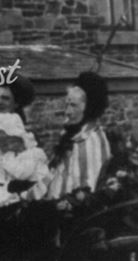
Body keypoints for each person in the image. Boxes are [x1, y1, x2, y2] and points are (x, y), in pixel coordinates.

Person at [46, 71, 112, 200]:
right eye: (67, 105)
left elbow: (87, 193)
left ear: (89, 108)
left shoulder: (91, 140)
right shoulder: (71, 136)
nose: (67, 112)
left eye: (73, 105)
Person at [0, 112, 52, 211]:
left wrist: (4, 160)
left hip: (36, 190)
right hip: (18, 190)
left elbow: (21, 173)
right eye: (2, 144)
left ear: (21, 139)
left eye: (11, 141)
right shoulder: (9, 157)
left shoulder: (33, 154)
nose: (8, 147)